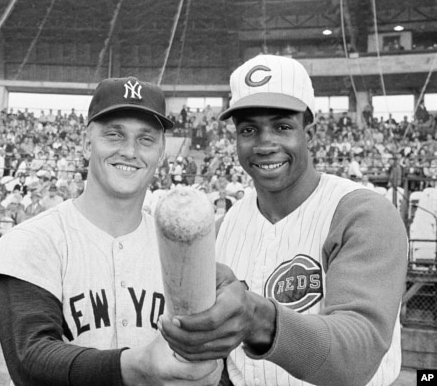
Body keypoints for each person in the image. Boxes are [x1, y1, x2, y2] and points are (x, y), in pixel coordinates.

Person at [159, 54, 408, 386]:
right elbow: (228, 365)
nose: (265, 144)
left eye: (282, 126)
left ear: (310, 132)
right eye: (249, 129)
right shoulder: (223, 228)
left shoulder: (362, 212)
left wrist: (258, 319)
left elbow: (357, 354)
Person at [0, 77, 222, 385]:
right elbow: (30, 359)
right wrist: (136, 366)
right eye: (114, 135)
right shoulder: (32, 242)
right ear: (87, 140)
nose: (129, 151)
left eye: (145, 139)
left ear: (161, 152)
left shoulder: (180, 251)